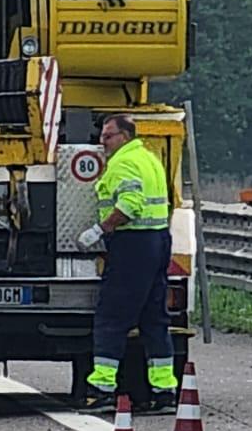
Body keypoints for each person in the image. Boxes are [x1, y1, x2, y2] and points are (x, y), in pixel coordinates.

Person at [75, 114, 179, 412]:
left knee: (112, 317)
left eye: (108, 136)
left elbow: (130, 205)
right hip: (157, 242)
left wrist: (100, 230)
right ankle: (164, 391)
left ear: (125, 136)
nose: (102, 142)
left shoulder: (123, 163)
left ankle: (102, 388)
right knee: (154, 320)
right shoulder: (149, 158)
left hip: (132, 245)